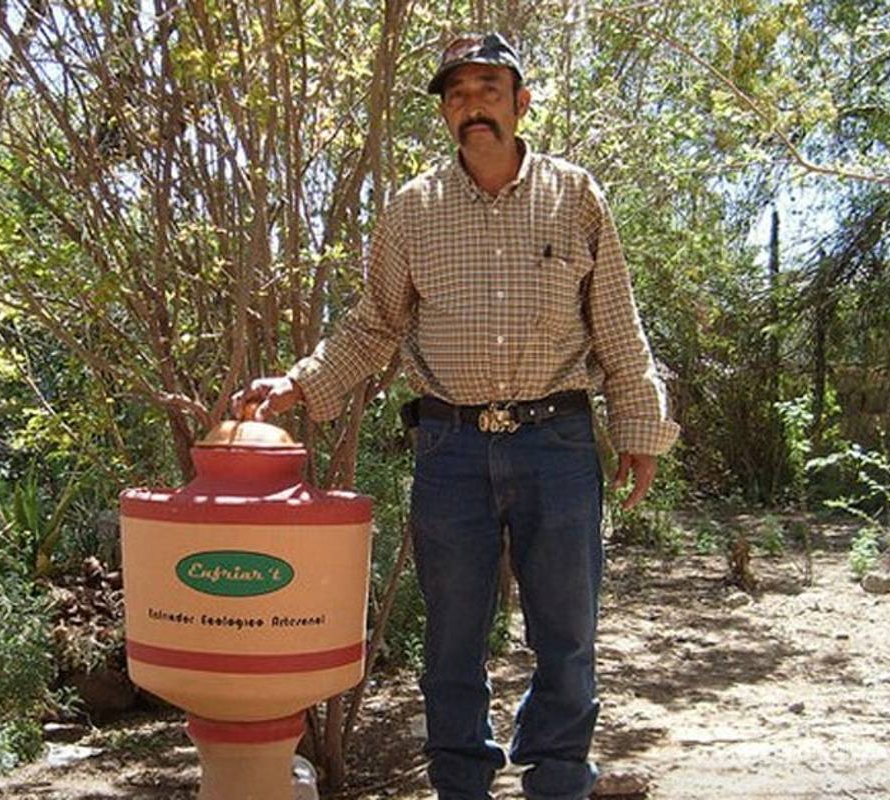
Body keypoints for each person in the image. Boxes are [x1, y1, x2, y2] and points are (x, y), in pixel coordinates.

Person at [233, 32, 678, 800]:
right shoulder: (414, 209)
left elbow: (615, 322)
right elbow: (375, 323)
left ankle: (558, 783)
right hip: (451, 449)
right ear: (444, 112)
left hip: (558, 442)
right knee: (451, 642)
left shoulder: (575, 195)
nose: (474, 106)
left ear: (520, 102)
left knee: (568, 638)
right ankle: (461, 787)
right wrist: (300, 385)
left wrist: (639, 429)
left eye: (488, 90)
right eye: (458, 95)